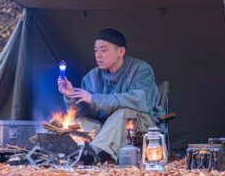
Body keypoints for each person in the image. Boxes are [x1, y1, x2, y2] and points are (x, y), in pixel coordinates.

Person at [57, 28, 164, 162]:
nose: (98, 55)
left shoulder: (141, 70)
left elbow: (139, 101)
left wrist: (95, 99)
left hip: (138, 122)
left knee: (122, 114)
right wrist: (71, 96)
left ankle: (95, 156)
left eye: (103, 50)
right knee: (75, 121)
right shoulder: (91, 77)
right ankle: (63, 154)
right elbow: (84, 112)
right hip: (104, 126)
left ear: (121, 51)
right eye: (96, 50)